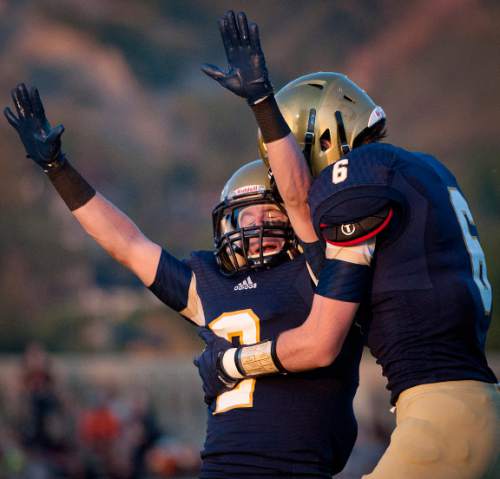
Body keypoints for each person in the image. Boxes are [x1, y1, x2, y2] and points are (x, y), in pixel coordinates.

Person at [196, 10, 499, 479]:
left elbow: (319, 341)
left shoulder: (355, 178)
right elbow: (300, 208)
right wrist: (263, 104)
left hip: (441, 421)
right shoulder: (423, 169)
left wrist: (232, 361)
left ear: (321, 139)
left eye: (297, 157)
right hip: (469, 407)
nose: (294, 178)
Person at [4, 85, 363, 478]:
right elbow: (126, 243)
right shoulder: (208, 283)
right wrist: (59, 171)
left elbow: (297, 196)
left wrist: (263, 103)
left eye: (269, 213)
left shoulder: (318, 269)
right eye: (247, 216)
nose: (258, 224)